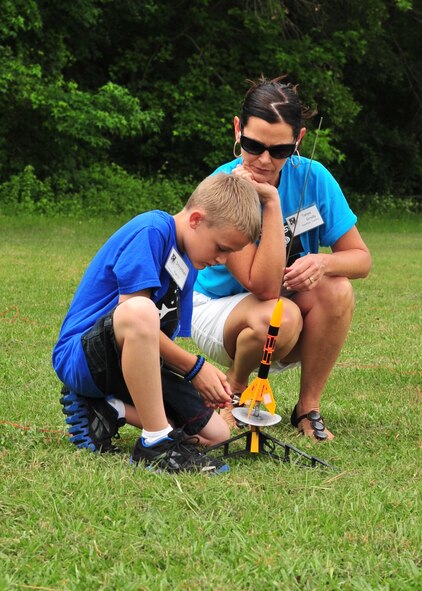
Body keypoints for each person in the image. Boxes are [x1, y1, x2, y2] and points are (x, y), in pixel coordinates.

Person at [192, 75, 372, 441]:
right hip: (219, 310)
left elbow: (361, 259)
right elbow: (263, 286)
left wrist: (323, 263)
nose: (263, 160)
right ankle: (233, 396)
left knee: (337, 289)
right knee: (281, 313)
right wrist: (271, 202)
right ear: (238, 130)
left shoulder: (314, 178)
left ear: (299, 140)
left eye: (279, 151)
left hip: (278, 310)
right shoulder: (226, 185)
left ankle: (308, 409)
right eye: (254, 144)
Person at [52, 173, 262, 473]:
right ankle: (154, 444)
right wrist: (195, 368)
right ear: (196, 220)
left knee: (215, 435)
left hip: (130, 365)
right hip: (84, 358)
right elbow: (135, 316)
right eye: (221, 247)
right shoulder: (152, 230)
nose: (223, 260)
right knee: (142, 310)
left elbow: (159, 344)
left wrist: (198, 381)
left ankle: (108, 409)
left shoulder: (189, 268)